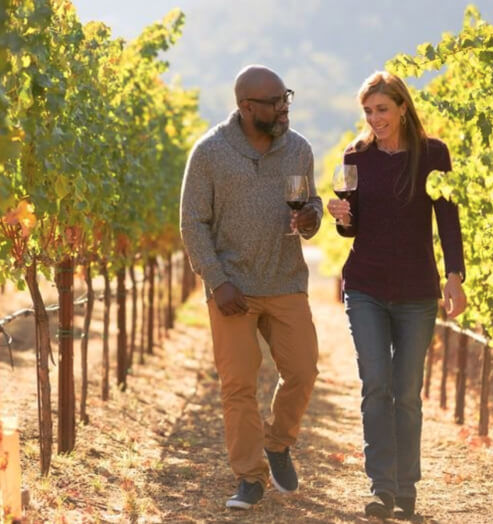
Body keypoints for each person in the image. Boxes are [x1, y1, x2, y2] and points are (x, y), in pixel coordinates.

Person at [180, 65, 321, 510]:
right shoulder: (210, 152)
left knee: (303, 371)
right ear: (246, 107)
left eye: (286, 98)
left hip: (285, 281)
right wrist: (216, 280)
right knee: (238, 385)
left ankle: (278, 442)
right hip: (232, 289)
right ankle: (249, 477)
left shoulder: (298, 149)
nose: (284, 108)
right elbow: (192, 223)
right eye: (275, 102)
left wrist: (313, 217)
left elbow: (310, 204)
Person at [326, 71, 467, 519]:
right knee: (376, 386)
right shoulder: (357, 156)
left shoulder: (433, 153)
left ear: (403, 107)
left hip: (416, 291)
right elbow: (352, 228)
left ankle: (407, 487)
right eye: (368, 111)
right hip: (365, 285)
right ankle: (381, 487)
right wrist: (342, 216)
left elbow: (448, 219)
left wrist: (455, 277)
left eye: (382, 109)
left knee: (407, 392)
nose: (375, 118)